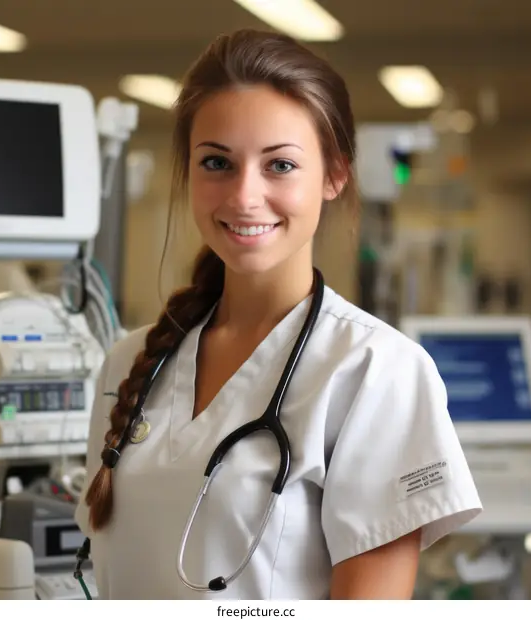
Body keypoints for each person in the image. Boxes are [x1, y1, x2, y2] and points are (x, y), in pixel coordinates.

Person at [75, 28, 482, 600]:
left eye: (280, 166)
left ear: (335, 174)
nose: (244, 195)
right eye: (217, 162)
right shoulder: (128, 363)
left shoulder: (374, 371)